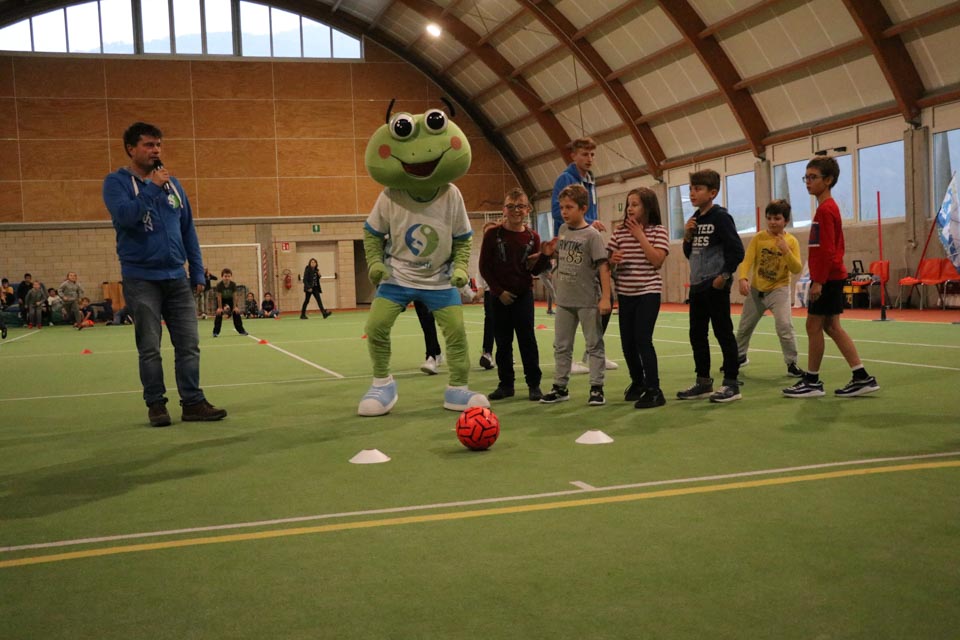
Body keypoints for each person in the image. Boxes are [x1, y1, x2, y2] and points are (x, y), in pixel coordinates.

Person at [103, 121, 227, 426]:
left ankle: (193, 403)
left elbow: (187, 230)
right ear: (131, 149)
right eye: (148, 145)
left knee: (189, 345)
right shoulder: (117, 183)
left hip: (176, 277)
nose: (155, 150)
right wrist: (152, 188)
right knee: (149, 347)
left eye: (158, 144)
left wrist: (197, 271)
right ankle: (156, 405)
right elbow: (126, 217)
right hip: (141, 278)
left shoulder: (174, 185)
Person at [783, 156, 879, 398]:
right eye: (806, 177)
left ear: (828, 180)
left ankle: (812, 381)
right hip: (830, 276)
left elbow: (826, 249)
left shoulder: (826, 210)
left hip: (827, 278)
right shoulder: (825, 208)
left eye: (813, 177)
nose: (808, 182)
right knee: (832, 326)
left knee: (814, 325)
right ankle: (861, 376)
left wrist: (819, 281)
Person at [678, 169, 745, 404]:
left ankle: (731, 383)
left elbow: (737, 251)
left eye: (698, 189)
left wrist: (724, 275)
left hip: (715, 286)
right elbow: (689, 253)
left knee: (722, 332)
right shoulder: (695, 219)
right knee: (697, 335)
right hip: (697, 286)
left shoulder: (720, 217)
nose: (692, 193)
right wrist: (687, 235)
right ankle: (703, 381)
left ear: (712, 192)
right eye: (690, 189)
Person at [540, 184, 611, 406]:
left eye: (569, 207)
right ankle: (560, 387)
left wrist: (605, 297)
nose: (564, 212)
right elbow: (561, 257)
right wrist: (550, 254)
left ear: (583, 208)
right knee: (561, 346)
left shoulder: (592, 235)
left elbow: (603, 267)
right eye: (562, 207)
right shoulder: (563, 230)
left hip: (587, 300)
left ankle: (597, 388)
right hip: (564, 300)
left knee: (594, 344)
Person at [480, 188, 552, 402]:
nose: (515, 210)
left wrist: (545, 256)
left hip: (523, 297)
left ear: (528, 209)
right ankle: (506, 385)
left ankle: (534, 385)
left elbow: (535, 270)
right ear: (504, 210)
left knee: (527, 341)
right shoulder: (492, 235)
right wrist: (498, 292)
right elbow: (484, 267)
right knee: (503, 343)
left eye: (520, 206)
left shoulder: (532, 237)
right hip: (499, 298)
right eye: (510, 206)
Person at [607, 187, 670, 409]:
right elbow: (607, 263)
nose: (630, 209)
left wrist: (640, 236)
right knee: (627, 343)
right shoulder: (619, 233)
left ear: (647, 207)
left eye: (635, 204)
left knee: (643, 339)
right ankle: (638, 381)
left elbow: (657, 261)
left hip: (648, 293)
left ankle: (654, 390)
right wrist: (612, 260)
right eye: (628, 204)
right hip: (626, 294)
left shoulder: (658, 231)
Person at [734, 200, 805, 378]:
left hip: (779, 291)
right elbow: (747, 260)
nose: (773, 222)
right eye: (769, 218)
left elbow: (796, 268)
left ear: (785, 221)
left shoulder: (791, 241)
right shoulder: (759, 238)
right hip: (757, 290)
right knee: (744, 327)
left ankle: (792, 363)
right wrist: (743, 277)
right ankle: (739, 357)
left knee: (784, 326)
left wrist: (786, 251)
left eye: (777, 218)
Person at [213, 268, 247, 337]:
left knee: (236, 313)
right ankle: (216, 332)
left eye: (228, 276)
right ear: (222, 277)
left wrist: (235, 307)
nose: (227, 278)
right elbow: (219, 297)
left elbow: (235, 296)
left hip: (230, 300)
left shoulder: (233, 284)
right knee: (219, 314)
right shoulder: (219, 285)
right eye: (225, 276)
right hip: (222, 300)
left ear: (231, 277)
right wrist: (220, 307)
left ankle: (241, 330)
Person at [414, 300, 443, 375]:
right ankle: (437, 352)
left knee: (427, 320)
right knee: (425, 324)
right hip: (416, 295)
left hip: (434, 294)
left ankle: (431, 357)